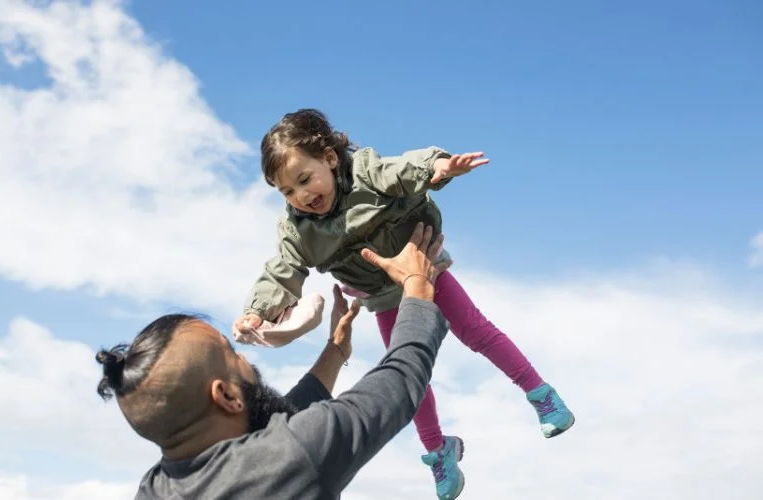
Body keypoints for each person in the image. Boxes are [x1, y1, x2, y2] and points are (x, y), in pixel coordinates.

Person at [234, 108, 576, 499]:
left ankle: (540, 393)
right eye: (287, 191)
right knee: (407, 370)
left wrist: (440, 166)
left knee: (476, 331)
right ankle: (438, 450)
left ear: (330, 159)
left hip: (423, 270)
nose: (301, 196)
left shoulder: (365, 172)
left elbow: (402, 169)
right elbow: (283, 268)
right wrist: (258, 310)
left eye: (304, 179)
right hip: (383, 298)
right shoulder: (297, 228)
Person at [97, 223, 454, 500]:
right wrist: (417, 289)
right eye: (231, 353)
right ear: (225, 396)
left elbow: (275, 424)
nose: (244, 358)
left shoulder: (155, 488)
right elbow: (399, 382)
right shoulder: (296, 456)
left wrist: (335, 351)